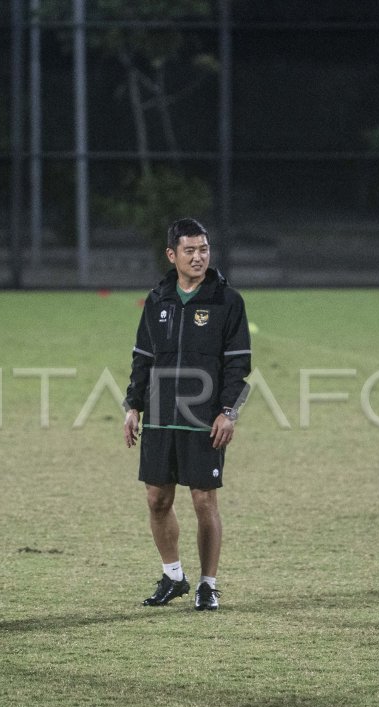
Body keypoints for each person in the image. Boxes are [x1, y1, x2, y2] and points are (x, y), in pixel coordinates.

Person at [123, 218, 252, 611]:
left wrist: (228, 411)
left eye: (204, 249)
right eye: (190, 250)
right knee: (157, 500)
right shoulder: (157, 299)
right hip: (161, 413)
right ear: (172, 255)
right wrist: (133, 406)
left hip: (204, 415)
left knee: (203, 502)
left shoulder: (227, 300)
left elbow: (238, 365)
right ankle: (174, 576)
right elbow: (142, 358)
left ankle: (208, 585)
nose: (198, 257)